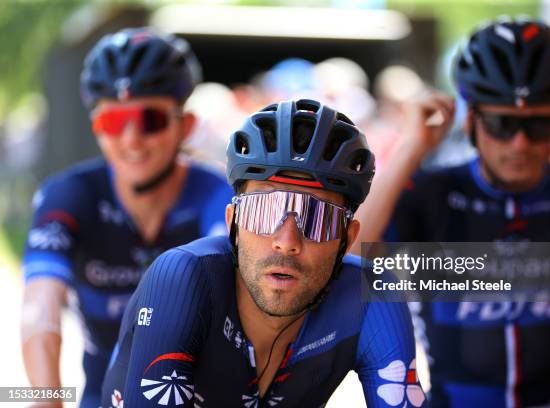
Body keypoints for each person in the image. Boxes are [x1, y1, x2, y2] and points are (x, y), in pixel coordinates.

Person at [101, 99, 427, 407]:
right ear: (233, 223)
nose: (286, 241)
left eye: (317, 218)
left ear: (348, 238)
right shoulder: (182, 277)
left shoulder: (373, 297)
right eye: (264, 211)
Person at [354, 18, 550, 407]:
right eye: (501, 123)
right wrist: (411, 148)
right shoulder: (432, 192)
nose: (520, 143)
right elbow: (351, 260)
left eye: (539, 125)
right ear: (471, 120)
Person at [21, 28, 233, 407]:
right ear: (95, 129)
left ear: (184, 126)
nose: (132, 140)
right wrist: (45, 400)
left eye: (150, 120)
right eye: (113, 122)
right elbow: (40, 311)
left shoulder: (216, 193)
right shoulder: (69, 195)